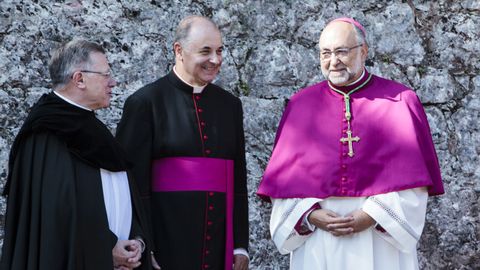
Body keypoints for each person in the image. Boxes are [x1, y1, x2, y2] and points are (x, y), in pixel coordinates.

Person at [257, 17, 444, 270]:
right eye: (326, 53)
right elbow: (284, 188)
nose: (333, 61)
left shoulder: (401, 101)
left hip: (379, 237)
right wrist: (311, 215)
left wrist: (372, 216)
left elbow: (415, 186)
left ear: (363, 51)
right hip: (320, 237)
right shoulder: (300, 105)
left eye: (342, 51)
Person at [0, 39, 152, 270]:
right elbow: (55, 213)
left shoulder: (92, 127)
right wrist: (106, 248)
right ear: (79, 78)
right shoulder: (46, 132)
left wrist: (137, 240)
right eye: (106, 75)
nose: (113, 82)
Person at [116, 16, 249, 270]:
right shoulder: (145, 103)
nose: (216, 60)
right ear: (179, 50)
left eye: (220, 51)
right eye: (205, 51)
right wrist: (145, 243)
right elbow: (131, 184)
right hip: (167, 245)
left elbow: (238, 179)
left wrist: (240, 244)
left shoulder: (230, 106)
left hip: (221, 242)